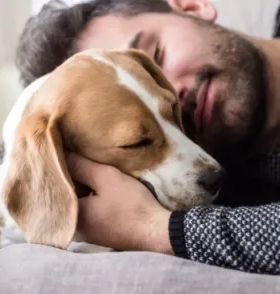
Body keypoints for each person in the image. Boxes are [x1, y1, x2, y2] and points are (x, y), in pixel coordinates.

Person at [16, 0, 280, 274]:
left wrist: (158, 231)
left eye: (155, 58)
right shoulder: (221, 182)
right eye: (136, 140)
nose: (165, 90)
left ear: (191, 6)